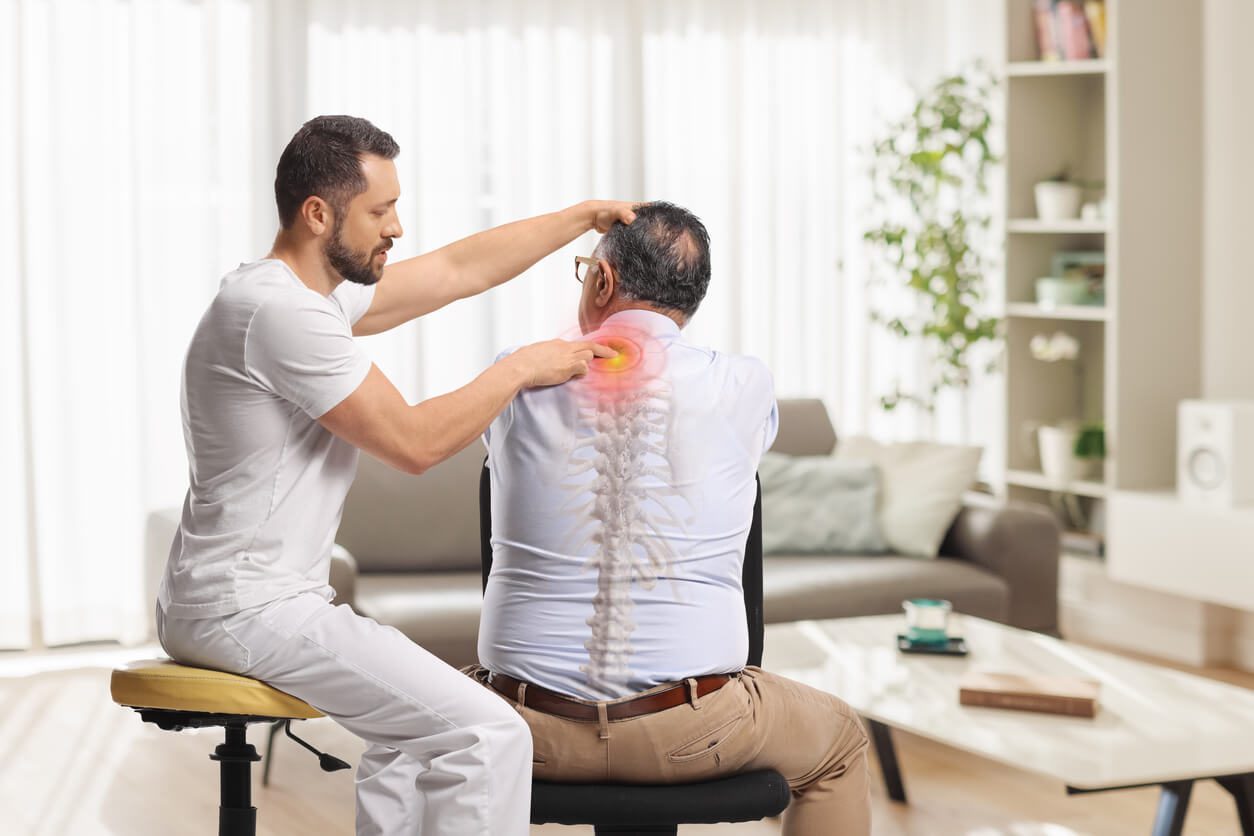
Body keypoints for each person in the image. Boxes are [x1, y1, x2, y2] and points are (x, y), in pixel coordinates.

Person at [155, 114, 636, 836]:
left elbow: (456, 270)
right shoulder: (280, 313)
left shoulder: (301, 294)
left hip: (240, 599)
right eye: (380, 210)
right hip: (247, 607)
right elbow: (414, 443)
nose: (397, 228)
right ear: (319, 214)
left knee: (411, 740)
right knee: (490, 734)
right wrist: (521, 368)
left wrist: (579, 218)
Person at [472, 201, 871, 836]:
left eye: (585, 272)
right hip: (695, 725)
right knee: (841, 744)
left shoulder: (515, 375)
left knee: (415, 731)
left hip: (524, 725)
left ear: (601, 281)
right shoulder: (745, 386)